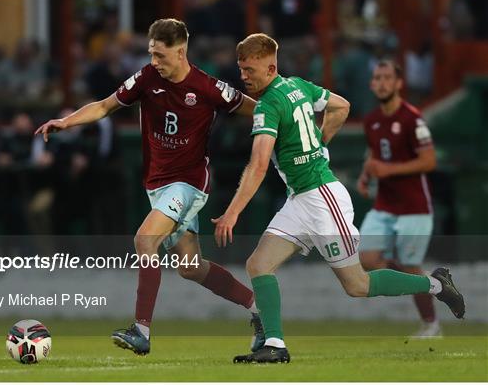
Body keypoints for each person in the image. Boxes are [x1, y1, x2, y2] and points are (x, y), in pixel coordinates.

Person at [212, 33, 465, 364]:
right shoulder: (298, 86)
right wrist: (321, 139)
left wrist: (232, 213)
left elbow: (259, 164)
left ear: (271, 66)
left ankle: (436, 285)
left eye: (250, 69)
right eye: (241, 69)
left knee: (357, 285)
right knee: (259, 264)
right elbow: (341, 105)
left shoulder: (269, 106)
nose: (244, 76)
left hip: (321, 198)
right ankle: (274, 344)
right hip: (301, 199)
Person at [35, 18, 264, 356]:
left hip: (188, 184)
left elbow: (251, 107)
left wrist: (281, 121)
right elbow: (104, 105)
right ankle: (260, 309)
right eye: (151, 53)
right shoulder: (146, 78)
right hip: (158, 183)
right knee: (190, 268)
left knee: (145, 239)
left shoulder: (207, 87)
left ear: (181, 51)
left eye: (161, 55)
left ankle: (141, 330)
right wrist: (66, 122)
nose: (155, 61)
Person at [356, 60, 440, 338]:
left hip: (414, 207)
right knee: (366, 258)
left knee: (410, 264)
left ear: (398, 83)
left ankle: (431, 324)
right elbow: (374, 154)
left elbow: (429, 161)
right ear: (372, 84)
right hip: (385, 205)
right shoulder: (371, 121)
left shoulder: (413, 118)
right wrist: (366, 175)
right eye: (377, 78)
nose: (381, 83)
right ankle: (429, 284)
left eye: (386, 77)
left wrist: (388, 170)